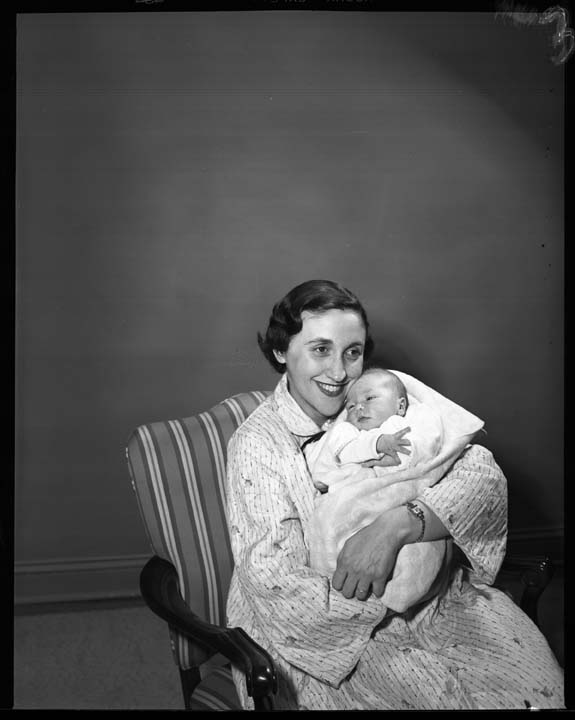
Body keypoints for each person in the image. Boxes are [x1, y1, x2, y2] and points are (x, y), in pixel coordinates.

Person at [225, 279, 564, 710]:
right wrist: (388, 607)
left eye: (352, 352)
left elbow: (481, 474)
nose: (339, 373)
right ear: (280, 351)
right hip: (326, 631)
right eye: (320, 349)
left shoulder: (381, 396)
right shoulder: (257, 444)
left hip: (435, 602)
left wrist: (397, 526)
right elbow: (276, 582)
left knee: (540, 690)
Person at [304, 366, 484, 615]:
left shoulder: (412, 420)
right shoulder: (348, 431)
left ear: (400, 405)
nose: (359, 408)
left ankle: (403, 592)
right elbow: (344, 452)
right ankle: (338, 577)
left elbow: (424, 447)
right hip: (359, 496)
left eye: (369, 398)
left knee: (422, 552)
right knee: (329, 522)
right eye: (351, 406)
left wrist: (391, 457)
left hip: (402, 498)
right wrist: (376, 448)